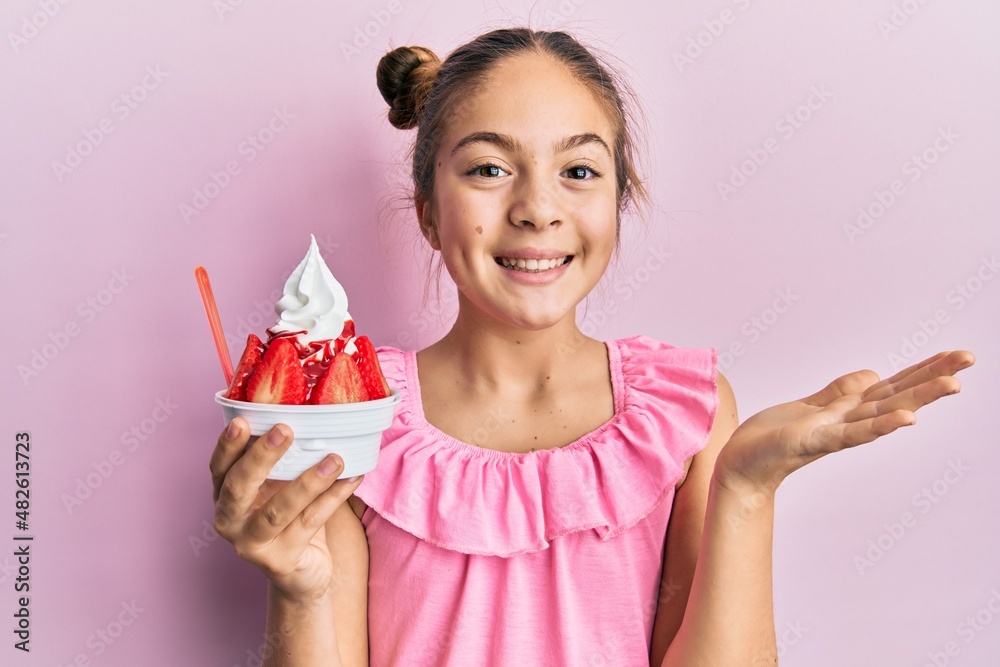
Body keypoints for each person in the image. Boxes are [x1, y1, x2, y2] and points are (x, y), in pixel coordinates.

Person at [208, 27, 975, 666]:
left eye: (578, 170)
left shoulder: (688, 410)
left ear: (619, 200)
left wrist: (747, 486)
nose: (538, 208)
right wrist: (301, 588)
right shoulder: (353, 414)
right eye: (487, 169)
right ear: (427, 211)